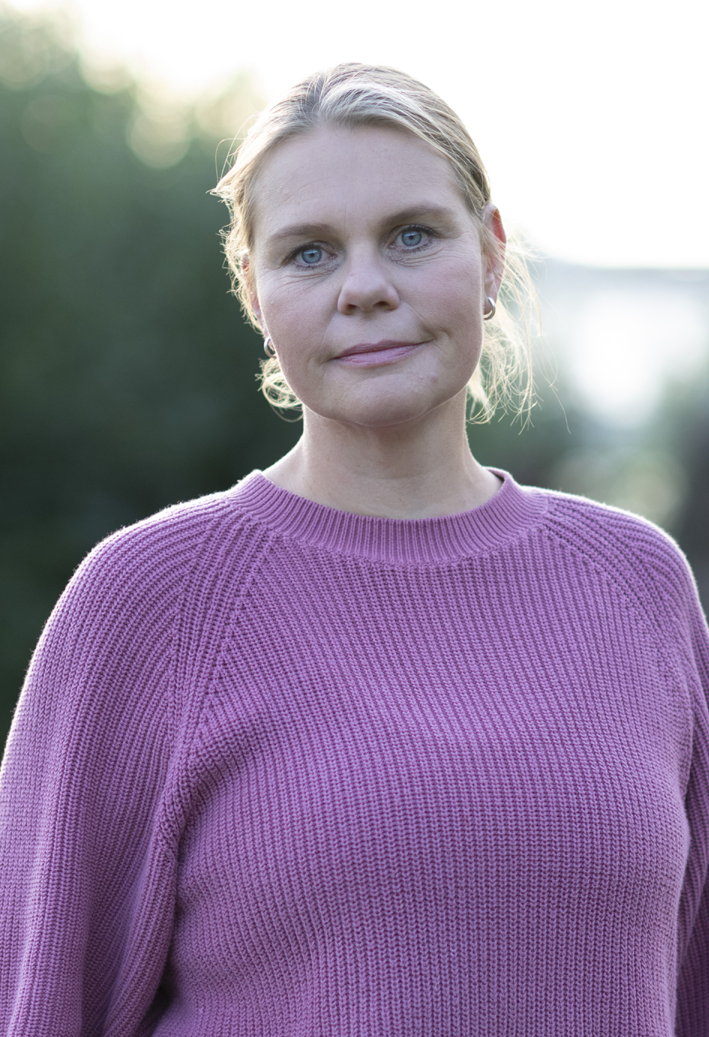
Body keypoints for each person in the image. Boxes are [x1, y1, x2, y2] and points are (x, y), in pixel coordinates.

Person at [1, 63, 707, 1037]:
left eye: (412, 235)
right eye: (309, 253)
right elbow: (37, 1006)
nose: (366, 288)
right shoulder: (151, 600)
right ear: (253, 292)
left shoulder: (636, 585)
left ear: (490, 255)